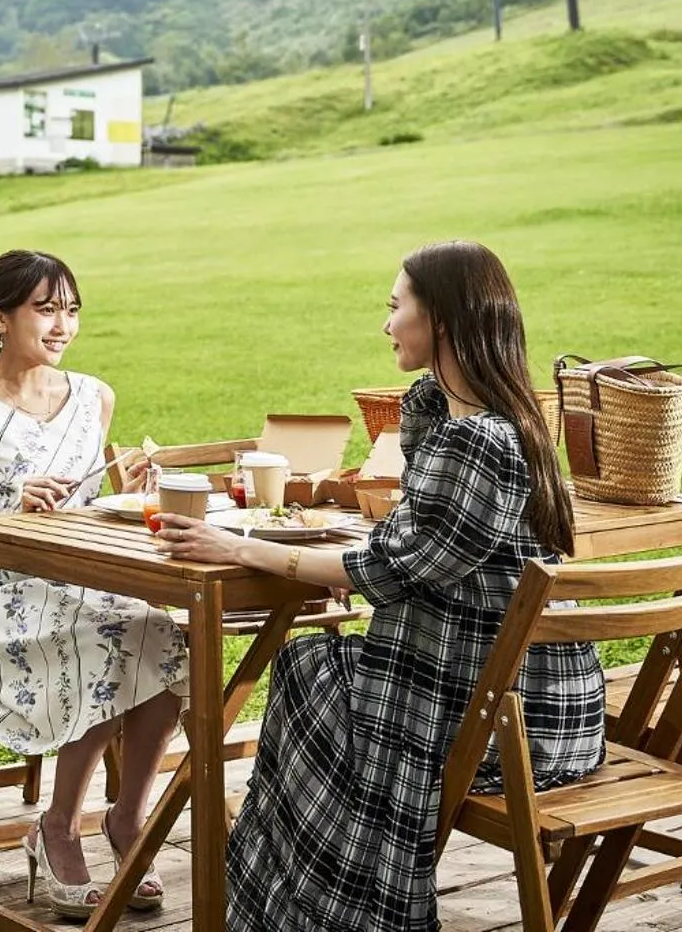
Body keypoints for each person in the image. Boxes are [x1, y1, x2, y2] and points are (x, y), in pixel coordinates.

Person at [154, 240, 605, 932]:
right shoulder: (491, 423)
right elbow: (416, 548)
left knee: (306, 675)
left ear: (441, 321)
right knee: (311, 667)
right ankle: (330, 903)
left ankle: (334, 911)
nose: (386, 324)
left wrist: (238, 547)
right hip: (531, 702)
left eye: (396, 308)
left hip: (508, 727)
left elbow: (392, 570)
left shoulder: (479, 441)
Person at [0, 248, 188, 921]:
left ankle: (127, 818)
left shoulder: (95, 397)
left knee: (166, 641)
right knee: (109, 639)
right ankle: (58, 827)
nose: (62, 325)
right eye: (45, 310)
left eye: (71, 310)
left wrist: (129, 487)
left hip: (87, 581)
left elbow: (92, 505)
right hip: (3, 595)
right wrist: (12, 512)